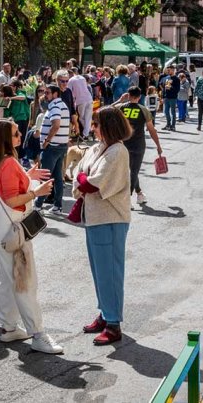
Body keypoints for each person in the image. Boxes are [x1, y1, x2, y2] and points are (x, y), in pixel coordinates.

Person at [0, 120, 63, 354]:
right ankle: (37, 333)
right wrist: (37, 191)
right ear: (6, 138)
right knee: (24, 280)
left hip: (0, 229)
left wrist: (27, 175)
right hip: (13, 231)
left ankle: (9, 327)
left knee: (6, 278)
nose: (20, 135)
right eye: (15, 133)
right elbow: (12, 199)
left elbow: (5, 192)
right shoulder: (8, 163)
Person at [74, 107, 132, 345]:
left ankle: (113, 322)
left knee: (110, 271)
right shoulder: (98, 148)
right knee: (99, 271)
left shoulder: (118, 151)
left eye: (97, 125)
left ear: (107, 126)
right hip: (95, 216)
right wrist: (82, 177)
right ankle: (105, 312)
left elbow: (92, 183)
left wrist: (82, 177)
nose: (93, 128)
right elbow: (77, 172)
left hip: (111, 218)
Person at [114, 86, 163, 206]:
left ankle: (139, 193)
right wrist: (158, 145)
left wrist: (120, 100)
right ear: (140, 97)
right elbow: (152, 130)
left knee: (129, 171)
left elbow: (105, 110)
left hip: (123, 143)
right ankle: (127, 199)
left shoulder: (120, 107)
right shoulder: (144, 110)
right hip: (138, 144)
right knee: (134, 171)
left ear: (128, 95)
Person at [34, 85, 70, 214]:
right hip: (60, 146)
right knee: (57, 177)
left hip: (52, 146)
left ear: (55, 94)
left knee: (45, 176)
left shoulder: (55, 106)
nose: (45, 95)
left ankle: (38, 204)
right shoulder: (62, 105)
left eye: (48, 92)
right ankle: (57, 206)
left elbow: (56, 125)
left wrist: (47, 141)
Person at [4, 80, 31, 157]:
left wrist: (12, 98)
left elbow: (23, 97)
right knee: (15, 140)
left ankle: (21, 157)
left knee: (21, 139)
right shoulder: (10, 96)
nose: (10, 86)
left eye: (11, 85)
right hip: (15, 121)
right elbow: (7, 111)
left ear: (15, 87)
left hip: (22, 120)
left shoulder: (19, 93)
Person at [69, 67, 94, 138]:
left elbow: (70, 92)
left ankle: (87, 132)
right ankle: (87, 132)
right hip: (89, 98)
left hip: (80, 101)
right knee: (88, 117)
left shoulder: (70, 81)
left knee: (81, 118)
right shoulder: (82, 78)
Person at [160, 65, 180, 131]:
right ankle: (168, 124)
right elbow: (164, 88)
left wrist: (171, 87)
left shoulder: (176, 79)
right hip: (166, 97)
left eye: (169, 70)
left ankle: (173, 126)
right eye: (167, 70)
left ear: (173, 70)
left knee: (173, 112)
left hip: (173, 97)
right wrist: (163, 96)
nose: (168, 71)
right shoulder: (167, 78)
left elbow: (177, 89)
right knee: (166, 112)